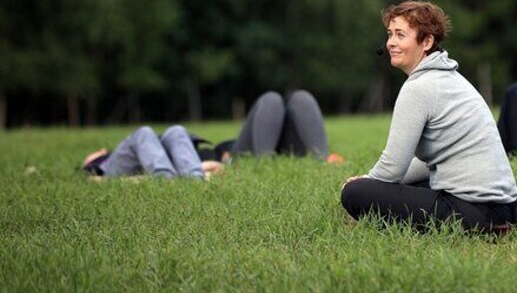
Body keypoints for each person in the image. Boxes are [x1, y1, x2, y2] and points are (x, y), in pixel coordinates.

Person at [341, 0, 517, 231]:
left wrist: (366, 183)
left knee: (355, 193)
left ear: (426, 42)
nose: (391, 43)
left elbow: (393, 166)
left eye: (400, 35)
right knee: (406, 184)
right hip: (500, 207)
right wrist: (373, 181)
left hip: (477, 212)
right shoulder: (447, 78)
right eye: (390, 34)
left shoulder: (419, 87)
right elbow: (429, 163)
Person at [221, 90, 333, 160]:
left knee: (302, 98)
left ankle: (323, 158)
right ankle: (264, 161)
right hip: (237, 150)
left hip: (285, 146)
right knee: (271, 100)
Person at [81, 125, 224, 179]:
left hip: (162, 166)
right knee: (144, 133)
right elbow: (90, 173)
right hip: (109, 169)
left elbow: (218, 167)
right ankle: (173, 178)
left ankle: (192, 177)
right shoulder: (98, 161)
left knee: (176, 130)